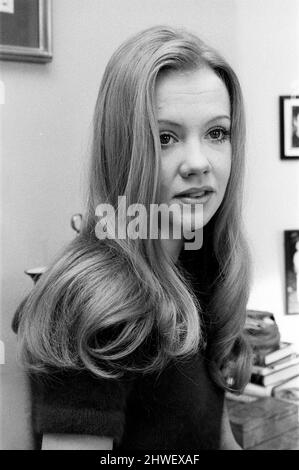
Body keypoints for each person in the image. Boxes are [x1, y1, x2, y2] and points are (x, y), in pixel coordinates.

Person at [13, 25, 252, 451]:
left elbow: (216, 438)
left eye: (217, 133)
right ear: (124, 149)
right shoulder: (89, 305)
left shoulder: (204, 266)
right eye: (165, 138)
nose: (198, 162)